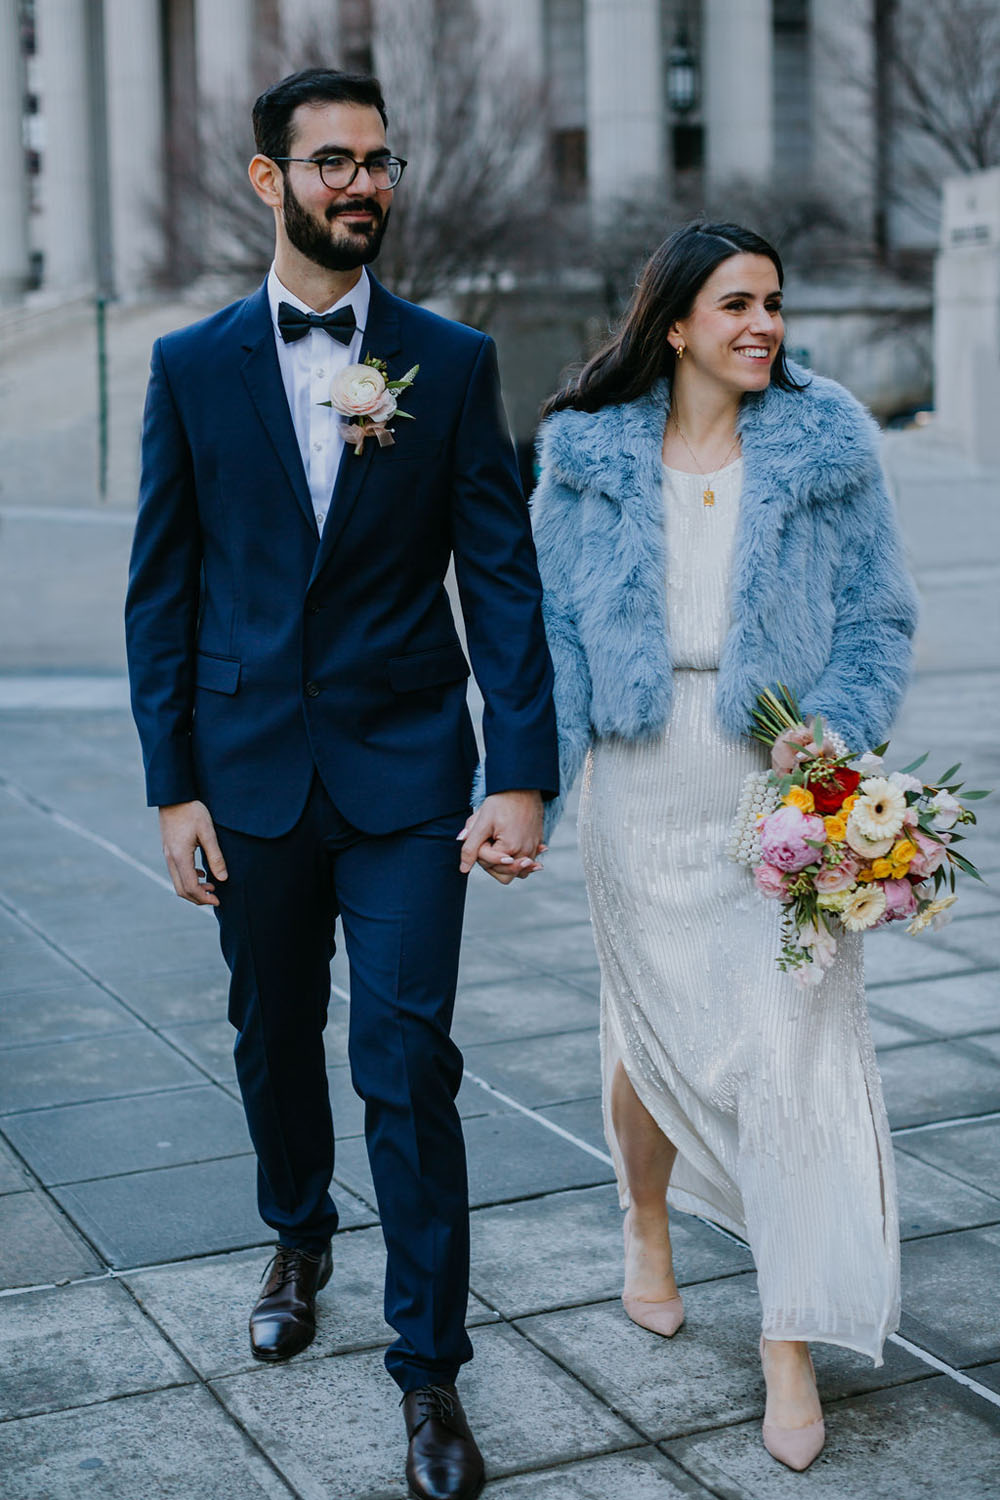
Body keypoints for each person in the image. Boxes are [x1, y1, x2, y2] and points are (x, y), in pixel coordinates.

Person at [125, 67, 558, 1500]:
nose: (360, 182)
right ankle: (299, 1229)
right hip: (245, 776)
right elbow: (162, 591)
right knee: (270, 1034)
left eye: (377, 160)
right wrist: (172, 785)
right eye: (330, 162)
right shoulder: (191, 367)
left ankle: (430, 1376)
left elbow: (500, 575)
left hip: (407, 772)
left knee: (408, 1056)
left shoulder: (449, 357)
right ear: (271, 180)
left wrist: (523, 772)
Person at [531, 221, 918, 1472]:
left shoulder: (827, 449)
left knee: (786, 1053)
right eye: (737, 303)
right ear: (676, 321)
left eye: (775, 303)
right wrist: (529, 787)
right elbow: (548, 635)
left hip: (773, 783)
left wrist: (834, 737)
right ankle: (644, 1214)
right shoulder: (585, 456)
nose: (763, 324)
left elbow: (877, 615)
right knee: (650, 1038)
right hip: (640, 787)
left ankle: (785, 1342)